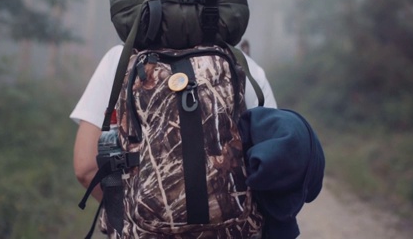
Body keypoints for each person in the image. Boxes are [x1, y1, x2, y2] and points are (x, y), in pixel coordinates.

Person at [70, 43, 277, 201]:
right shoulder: (243, 65)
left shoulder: (119, 60)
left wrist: (128, 221)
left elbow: (86, 168)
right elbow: (275, 164)